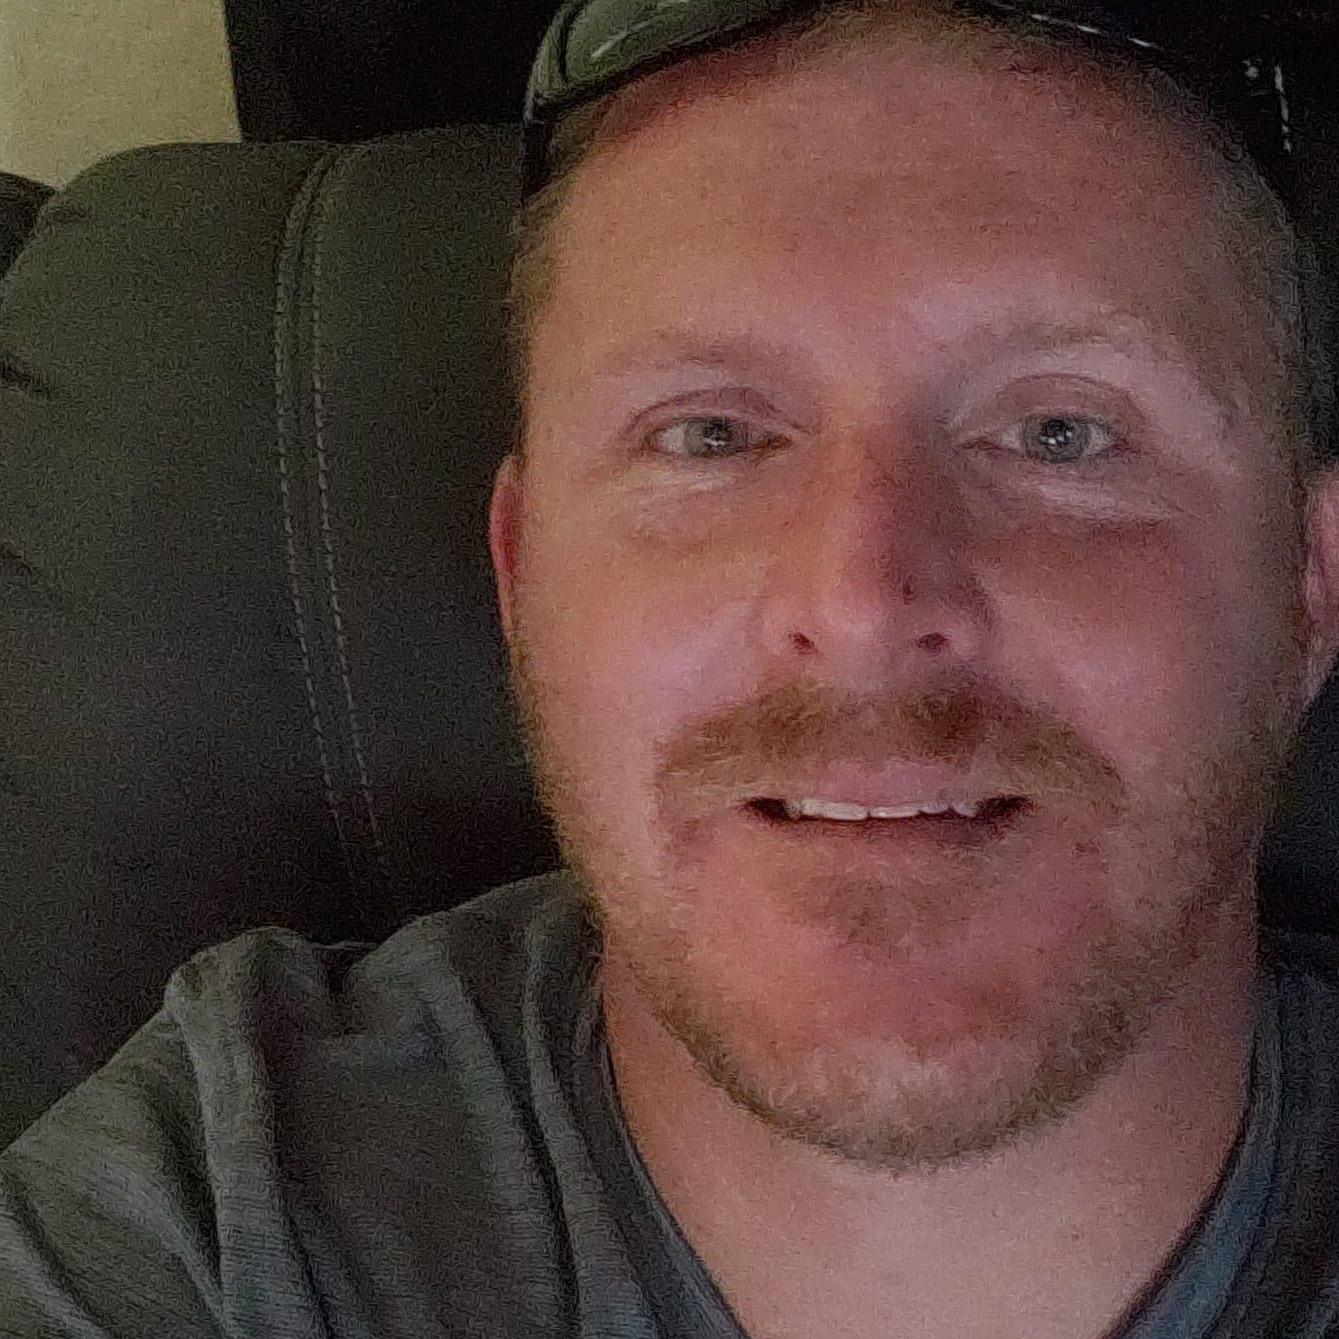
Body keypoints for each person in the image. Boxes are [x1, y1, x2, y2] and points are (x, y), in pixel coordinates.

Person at [5, 2, 1339, 1337]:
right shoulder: (219, 1230)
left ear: (1309, 585)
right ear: (522, 577)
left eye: (1060, 433)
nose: (860, 606)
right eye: (710, 436)